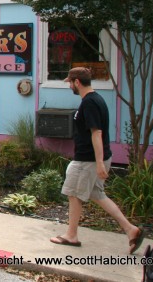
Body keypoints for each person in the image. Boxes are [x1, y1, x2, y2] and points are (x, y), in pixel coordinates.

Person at [50, 67, 146, 253]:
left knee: (74, 194)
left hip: (88, 160)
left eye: (70, 82)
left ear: (77, 82)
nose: (70, 86)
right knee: (97, 194)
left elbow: (97, 133)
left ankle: (71, 235)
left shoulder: (90, 103)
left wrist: (100, 162)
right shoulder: (96, 99)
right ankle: (131, 230)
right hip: (93, 159)